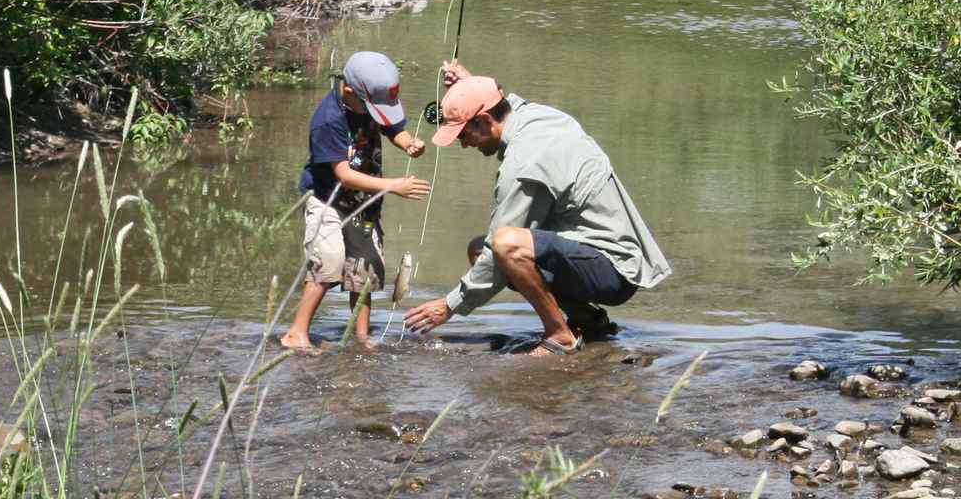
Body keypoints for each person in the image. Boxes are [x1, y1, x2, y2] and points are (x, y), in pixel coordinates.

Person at [403, 61, 669, 354]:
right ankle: (589, 321)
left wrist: (449, 305)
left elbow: (498, 248)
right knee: (479, 249)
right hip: (590, 251)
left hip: (613, 269)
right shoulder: (535, 117)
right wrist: (469, 86)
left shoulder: (525, 163)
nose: (464, 145)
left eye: (463, 135)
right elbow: (503, 100)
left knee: (505, 245)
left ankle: (560, 336)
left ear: (484, 120)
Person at [279, 51, 430, 350]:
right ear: (350, 91)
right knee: (328, 264)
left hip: (365, 202)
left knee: (366, 270)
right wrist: (392, 186)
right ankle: (296, 333)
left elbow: (393, 128)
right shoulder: (328, 120)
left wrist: (408, 143)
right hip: (328, 201)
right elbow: (343, 175)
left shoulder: (371, 102)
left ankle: (361, 338)